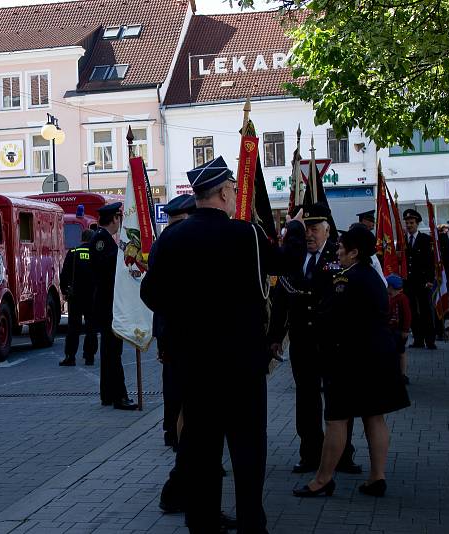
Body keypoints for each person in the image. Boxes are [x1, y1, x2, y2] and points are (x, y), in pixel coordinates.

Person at [141, 156, 306, 533]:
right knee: (248, 451)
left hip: (194, 368)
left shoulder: (172, 238)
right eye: (232, 189)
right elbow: (288, 263)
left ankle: (202, 524)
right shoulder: (245, 235)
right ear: (223, 192)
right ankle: (251, 523)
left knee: (200, 452)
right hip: (241, 367)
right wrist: (294, 230)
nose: (234, 195)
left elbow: (151, 294)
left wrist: (184, 316)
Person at [293, 226, 410, 498]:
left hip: (350, 360)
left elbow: (330, 317)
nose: (338, 251)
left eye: (342, 247)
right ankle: (377, 477)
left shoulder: (346, 279)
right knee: (374, 416)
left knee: (336, 420)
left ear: (355, 252)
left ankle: (322, 479)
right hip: (379, 358)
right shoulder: (373, 276)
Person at [269, 203, 362, 476]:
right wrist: (275, 337)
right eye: (305, 228)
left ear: (327, 229)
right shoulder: (293, 255)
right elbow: (281, 300)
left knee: (339, 399)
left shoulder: (339, 255)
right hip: (303, 341)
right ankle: (310, 453)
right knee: (307, 400)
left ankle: (343, 455)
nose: (309, 234)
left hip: (334, 341)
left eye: (314, 229)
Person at [151, 194, 196, 448]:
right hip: (185, 326)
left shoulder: (161, 243)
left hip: (166, 325)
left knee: (171, 380)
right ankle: (180, 431)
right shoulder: (190, 240)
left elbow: (152, 290)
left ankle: (171, 429)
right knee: (186, 383)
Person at [89, 202, 137, 410]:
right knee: (113, 352)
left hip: (105, 303)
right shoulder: (102, 240)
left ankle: (108, 394)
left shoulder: (104, 239)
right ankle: (119, 396)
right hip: (108, 304)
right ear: (115, 219)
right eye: (119, 218)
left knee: (109, 352)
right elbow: (107, 271)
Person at [59, 228, 98, 366]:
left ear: (82, 239)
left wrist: (64, 290)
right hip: (92, 296)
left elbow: (64, 275)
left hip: (75, 296)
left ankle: (70, 357)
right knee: (91, 327)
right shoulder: (96, 253)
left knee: (73, 327)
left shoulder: (74, 252)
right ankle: (90, 357)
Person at [403, 209, 436, 349]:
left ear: (417, 224)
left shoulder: (425, 239)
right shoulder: (403, 240)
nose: (409, 225)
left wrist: (430, 279)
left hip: (423, 282)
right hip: (409, 282)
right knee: (412, 312)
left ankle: (430, 340)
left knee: (426, 311)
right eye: (407, 223)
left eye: (411, 223)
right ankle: (418, 339)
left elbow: (431, 261)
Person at [386, 274, 411, 384]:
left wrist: (405, 330)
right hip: (390, 330)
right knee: (392, 352)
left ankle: (403, 374)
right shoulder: (389, 298)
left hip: (399, 331)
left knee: (401, 352)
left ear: (391, 287)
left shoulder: (402, 298)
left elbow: (407, 315)